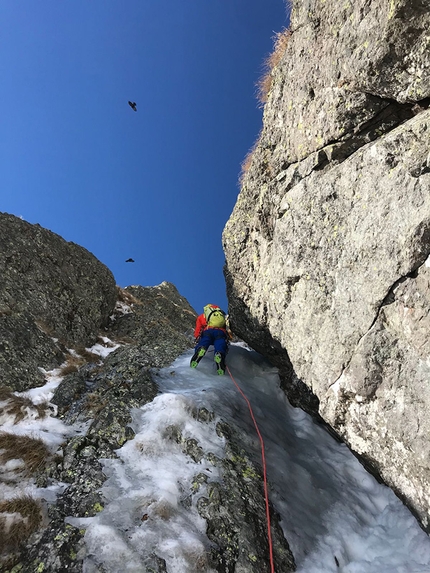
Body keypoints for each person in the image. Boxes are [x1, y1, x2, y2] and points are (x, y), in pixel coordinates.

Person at [190, 304, 229, 375]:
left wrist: (197, 337)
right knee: (220, 343)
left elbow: (198, 329)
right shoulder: (220, 315)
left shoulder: (203, 316)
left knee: (205, 341)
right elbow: (224, 327)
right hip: (220, 332)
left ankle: (201, 350)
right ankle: (219, 354)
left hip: (208, 331)